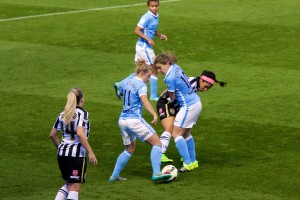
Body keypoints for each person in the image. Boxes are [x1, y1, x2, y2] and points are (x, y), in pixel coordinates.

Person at [109, 60, 171, 182]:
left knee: (129, 149)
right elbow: (144, 100)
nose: (148, 80)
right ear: (142, 73)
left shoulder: (127, 81)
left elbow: (121, 92)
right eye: (148, 76)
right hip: (134, 120)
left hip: (122, 121)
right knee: (157, 144)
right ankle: (157, 173)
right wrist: (154, 113)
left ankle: (114, 176)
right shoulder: (141, 85)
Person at [154, 52, 210, 172]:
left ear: (167, 63)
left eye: (160, 67)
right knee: (185, 134)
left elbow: (173, 97)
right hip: (196, 103)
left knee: (175, 133)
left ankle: (187, 163)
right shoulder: (176, 67)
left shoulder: (169, 78)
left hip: (188, 106)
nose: (159, 71)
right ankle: (193, 161)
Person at [157, 70, 227, 163]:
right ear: (202, 80)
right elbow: (174, 83)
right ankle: (160, 154)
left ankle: (190, 158)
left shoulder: (195, 85)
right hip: (166, 103)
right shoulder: (190, 83)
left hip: (178, 107)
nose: (205, 89)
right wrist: (168, 90)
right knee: (170, 129)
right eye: (206, 86)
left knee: (185, 133)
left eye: (208, 88)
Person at [114, 0, 167, 101]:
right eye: (152, 6)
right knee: (154, 69)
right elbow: (137, 30)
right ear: (148, 7)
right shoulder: (146, 17)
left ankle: (120, 85)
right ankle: (153, 95)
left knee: (141, 70)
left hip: (142, 47)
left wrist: (160, 35)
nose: (155, 8)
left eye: (156, 6)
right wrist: (148, 39)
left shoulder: (156, 16)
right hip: (144, 47)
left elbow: (152, 29)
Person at [50, 88, 98, 200]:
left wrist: (60, 148)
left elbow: (52, 135)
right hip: (76, 156)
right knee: (74, 189)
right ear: (81, 100)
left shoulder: (62, 114)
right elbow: (80, 134)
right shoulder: (82, 113)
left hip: (62, 154)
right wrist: (91, 152)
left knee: (68, 185)